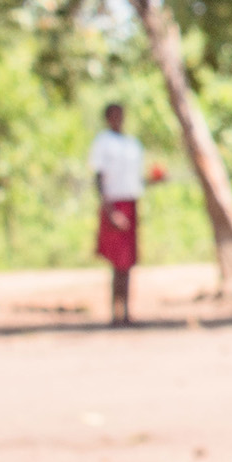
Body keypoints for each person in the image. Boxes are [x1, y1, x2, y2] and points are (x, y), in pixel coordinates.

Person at [89, 103, 145, 326]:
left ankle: (127, 310)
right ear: (107, 118)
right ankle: (116, 312)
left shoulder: (131, 144)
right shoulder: (103, 143)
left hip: (130, 202)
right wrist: (110, 211)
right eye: (114, 115)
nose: (118, 119)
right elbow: (99, 179)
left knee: (128, 262)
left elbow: (134, 179)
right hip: (114, 203)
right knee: (116, 262)